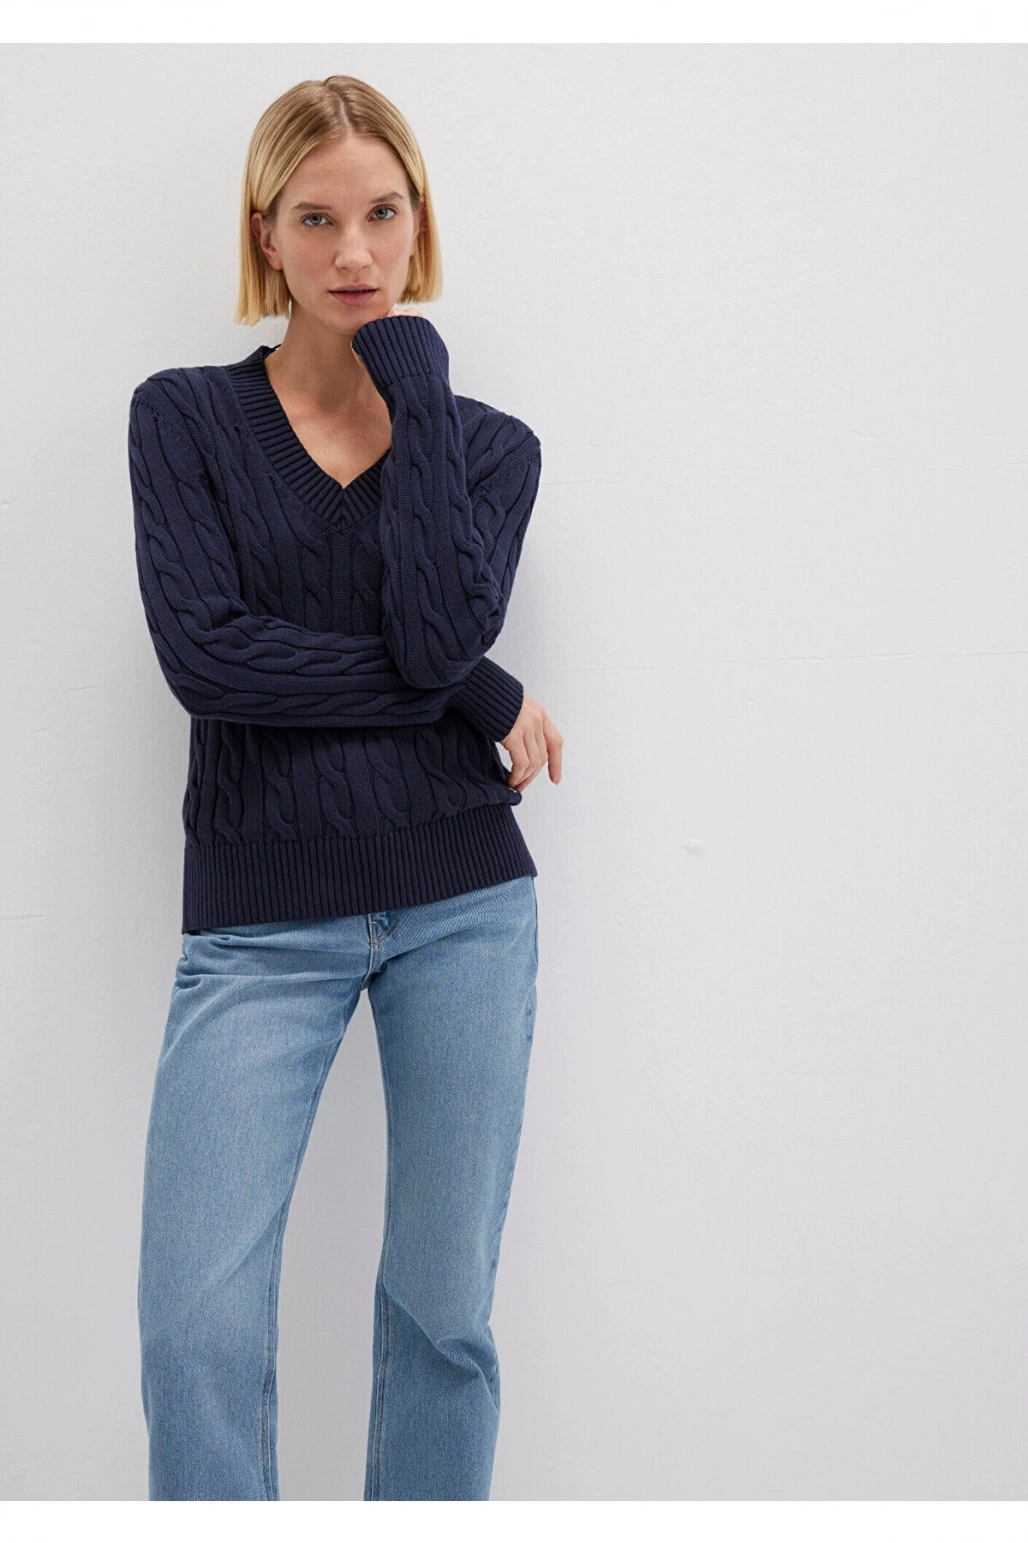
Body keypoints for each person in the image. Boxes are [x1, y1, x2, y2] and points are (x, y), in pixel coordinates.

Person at [127, 73, 563, 1502]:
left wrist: (415, 389)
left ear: (419, 221)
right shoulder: (185, 420)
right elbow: (209, 659)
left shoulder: (486, 447)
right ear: (265, 233)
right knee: (195, 1331)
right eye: (316, 219)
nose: (354, 252)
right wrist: (480, 693)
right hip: (260, 920)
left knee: (444, 1321)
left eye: (383, 213)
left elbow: (434, 631)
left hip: (464, 906)